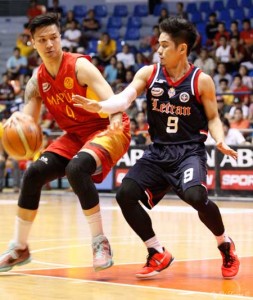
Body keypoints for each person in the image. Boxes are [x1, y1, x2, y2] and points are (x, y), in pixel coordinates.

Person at [72, 16, 240, 279]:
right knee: (125, 194)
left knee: (196, 197)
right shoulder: (148, 73)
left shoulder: (201, 80)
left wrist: (218, 139)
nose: (158, 50)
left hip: (188, 152)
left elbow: (214, 117)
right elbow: (125, 99)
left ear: (181, 48)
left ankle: (224, 243)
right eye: (158, 45)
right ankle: (157, 251)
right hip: (158, 152)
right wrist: (102, 107)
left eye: (164, 45)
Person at [0, 13, 130, 273]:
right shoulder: (36, 82)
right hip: (75, 135)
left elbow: (113, 100)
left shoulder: (80, 66)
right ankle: (20, 246)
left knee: (76, 169)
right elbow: (29, 122)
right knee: (34, 172)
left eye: (54, 38)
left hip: (109, 127)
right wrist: (15, 122)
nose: (49, 44)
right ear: (33, 43)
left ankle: (99, 242)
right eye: (42, 40)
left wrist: (115, 117)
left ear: (61, 38)